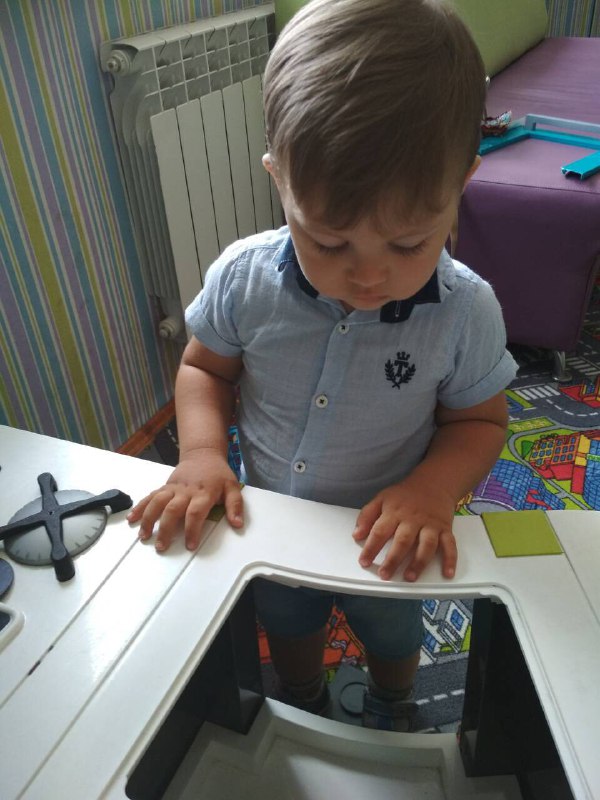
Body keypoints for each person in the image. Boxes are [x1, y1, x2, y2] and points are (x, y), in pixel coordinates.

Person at [128, 0, 518, 730]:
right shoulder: (244, 277)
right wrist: (203, 454)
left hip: (388, 538)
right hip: (271, 520)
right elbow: (205, 369)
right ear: (279, 181)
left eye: (408, 244)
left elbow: (480, 422)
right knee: (286, 619)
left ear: (462, 183)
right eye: (330, 243)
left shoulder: (465, 310)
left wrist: (431, 490)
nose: (367, 276)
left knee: (393, 634)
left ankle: (394, 701)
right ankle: (303, 694)